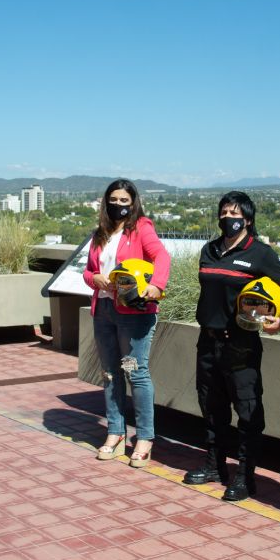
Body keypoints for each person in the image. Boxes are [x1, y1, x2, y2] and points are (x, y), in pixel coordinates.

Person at [182, 191, 280, 501]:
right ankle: (214, 466)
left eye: (234, 213)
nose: (227, 218)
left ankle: (245, 477)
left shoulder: (260, 253)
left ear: (247, 219)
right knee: (211, 408)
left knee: (247, 414)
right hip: (207, 341)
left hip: (240, 344)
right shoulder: (209, 250)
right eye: (223, 212)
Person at [82, 179, 171, 468]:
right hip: (104, 311)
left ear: (133, 203)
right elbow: (89, 271)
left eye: (124, 200)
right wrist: (93, 279)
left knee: (133, 371)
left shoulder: (141, 228)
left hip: (132, 315)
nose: (118, 204)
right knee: (110, 372)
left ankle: (144, 438)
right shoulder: (101, 233)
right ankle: (115, 433)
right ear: (106, 201)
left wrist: (157, 285)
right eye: (114, 199)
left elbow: (161, 256)